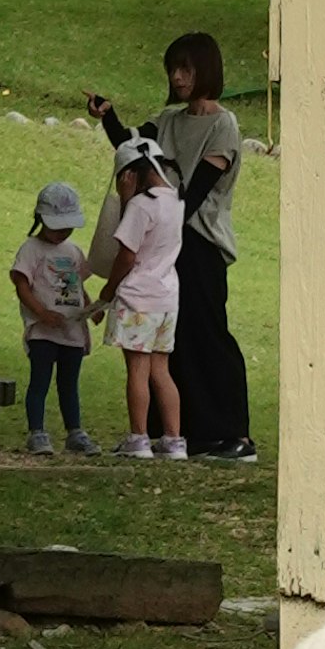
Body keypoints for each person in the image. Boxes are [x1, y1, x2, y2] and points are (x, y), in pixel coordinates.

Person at [87, 30, 255, 464]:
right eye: (173, 70)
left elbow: (194, 194)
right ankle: (181, 434)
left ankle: (234, 434)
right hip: (166, 243)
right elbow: (131, 147)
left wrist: (145, 219)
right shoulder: (168, 120)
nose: (178, 77)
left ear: (206, 71)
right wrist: (107, 116)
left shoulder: (224, 126)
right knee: (169, 343)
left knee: (208, 336)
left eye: (186, 69)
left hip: (200, 246)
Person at [95, 131, 185, 458]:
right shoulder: (177, 199)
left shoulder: (140, 206)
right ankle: (174, 440)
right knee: (161, 370)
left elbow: (127, 253)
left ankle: (139, 437)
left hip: (138, 298)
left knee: (137, 369)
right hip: (166, 298)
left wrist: (107, 291)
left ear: (130, 174)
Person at [8, 179, 95, 455]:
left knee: (69, 384)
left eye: (67, 226)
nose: (62, 232)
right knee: (40, 381)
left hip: (71, 330)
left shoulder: (73, 252)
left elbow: (78, 286)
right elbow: (21, 284)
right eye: (57, 226)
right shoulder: (31, 250)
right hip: (43, 331)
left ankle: (75, 431)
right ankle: (37, 432)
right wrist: (41, 313)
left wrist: (92, 310)